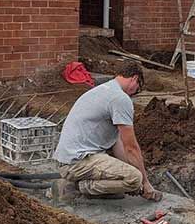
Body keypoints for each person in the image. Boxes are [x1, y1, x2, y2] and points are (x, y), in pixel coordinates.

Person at [54, 60, 161, 201]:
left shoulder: (104, 90)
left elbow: (118, 144)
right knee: (134, 178)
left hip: (68, 159)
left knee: (131, 176)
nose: (134, 93)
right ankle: (76, 188)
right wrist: (144, 183)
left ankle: (90, 186)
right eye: (137, 88)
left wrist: (127, 170)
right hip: (77, 163)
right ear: (135, 78)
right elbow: (131, 148)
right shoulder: (120, 98)